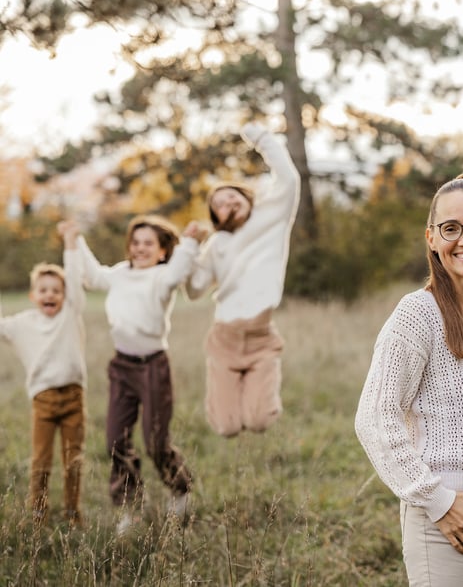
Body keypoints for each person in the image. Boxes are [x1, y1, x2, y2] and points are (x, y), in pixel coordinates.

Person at [355, 175, 463, 586]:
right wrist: (436, 501)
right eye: (451, 228)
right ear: (432, 238)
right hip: (447, 513)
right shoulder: (417, 314)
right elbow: (375, 418)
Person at [75, 214, 205, 535]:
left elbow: (177, 273)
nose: (139, 248)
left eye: (148, 243)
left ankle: (181, 489)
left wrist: (189, 242)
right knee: (115, 441)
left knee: (155, 441)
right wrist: (75, 239)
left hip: (152, 366)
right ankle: (130, 510)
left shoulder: (161, 277)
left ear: (162, 251)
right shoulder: (120, 274)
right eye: (135, 242)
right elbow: (92, 277)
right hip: (122, 366)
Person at [185, 121, 300, 438]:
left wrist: (261, 138)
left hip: (260, 335)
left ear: (248, 198)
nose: (228, 203)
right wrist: (189, 249)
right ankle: (226, 399)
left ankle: (263, 388)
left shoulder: (272, 216)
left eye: (233, 195)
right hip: (224, 337)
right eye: (219, 204)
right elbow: (195, 289)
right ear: (216, 217)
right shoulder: (216, 245)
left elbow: (288, 178)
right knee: (227, 427)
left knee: (259, 420)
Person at [0, 221, 87, 527]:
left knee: (73, 459)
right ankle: (38, 512)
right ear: (33, 295)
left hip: (74, 397)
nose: (50, 295)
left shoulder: (69, 314)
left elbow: (75, 280)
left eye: (56, 291)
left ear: (64, 296)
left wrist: (70, 242)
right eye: (43, 290)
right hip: (43, 399)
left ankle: (73, 511)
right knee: (41, 460)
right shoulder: (22, 323)